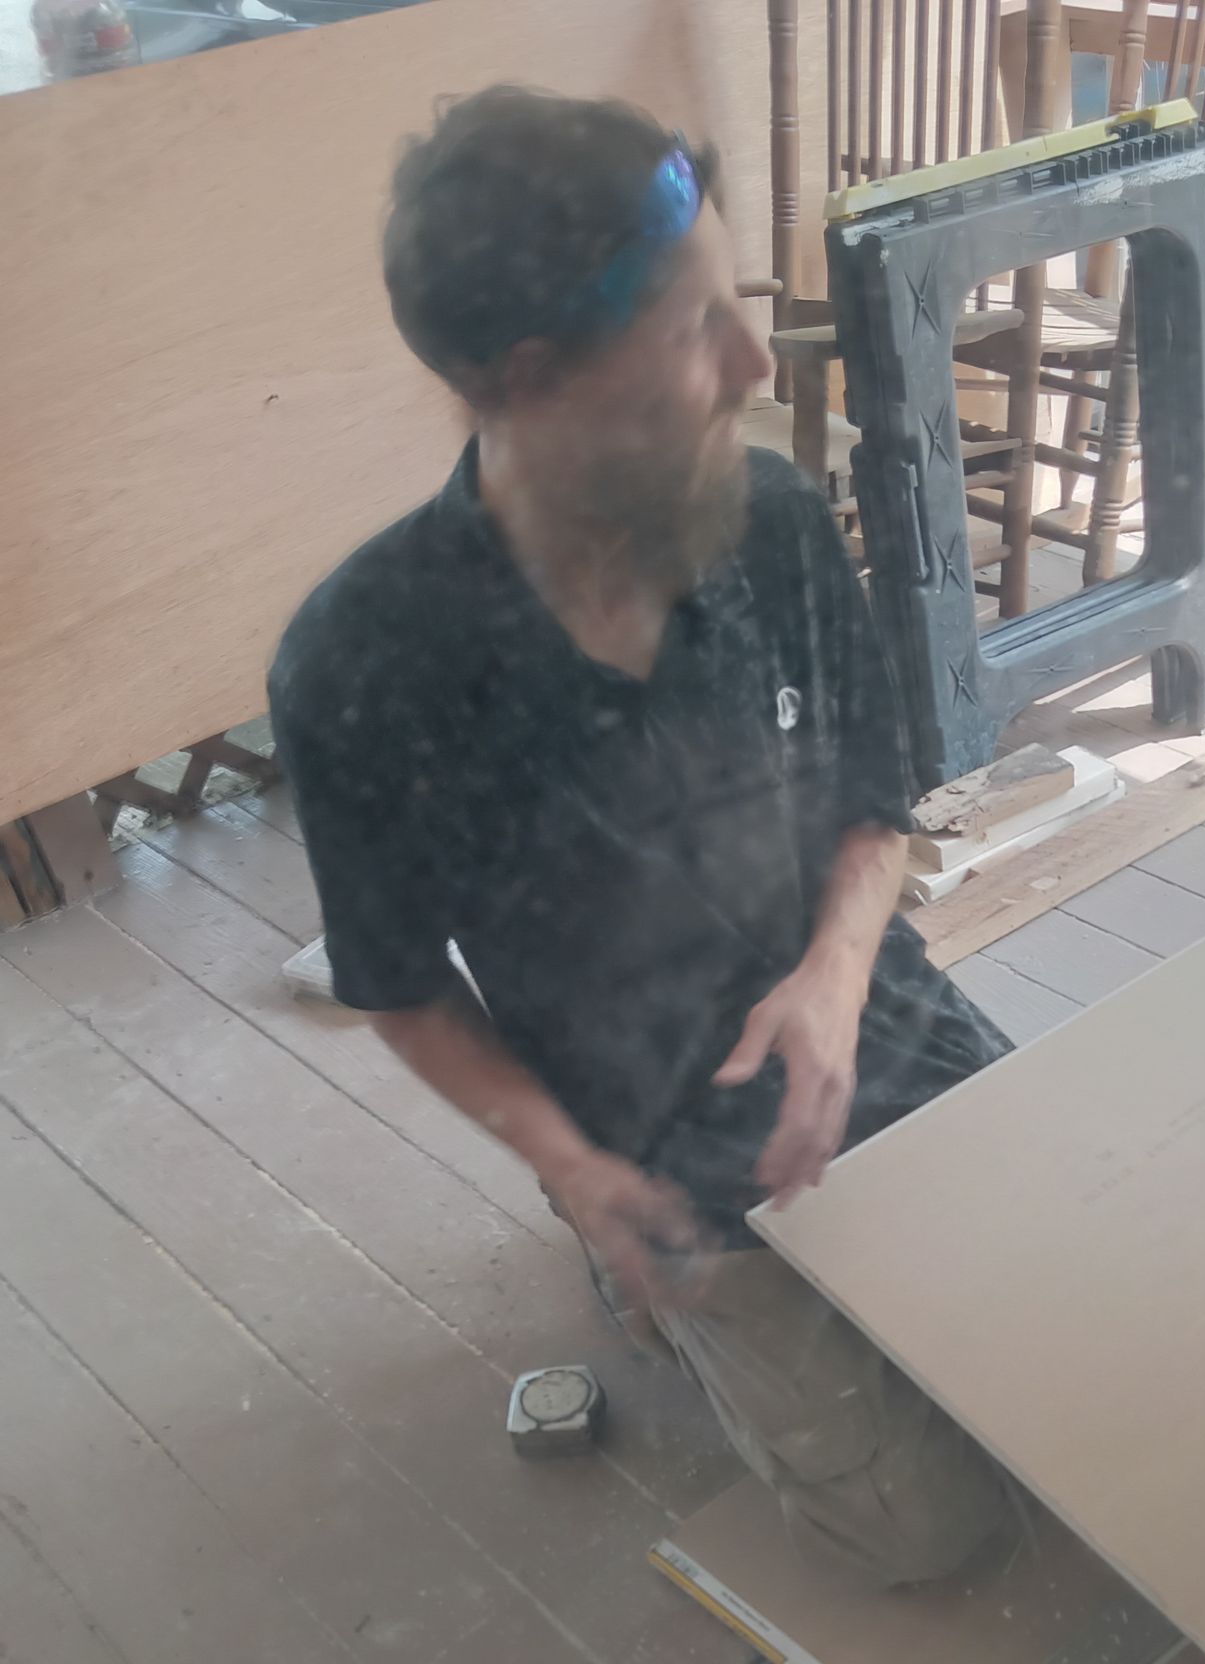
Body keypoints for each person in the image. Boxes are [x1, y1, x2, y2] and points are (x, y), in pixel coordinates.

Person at [270, 86, 1019, 1587]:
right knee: (928, 1537)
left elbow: (875, 809)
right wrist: (574, 1169)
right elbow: (403, 988)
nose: (755, 363)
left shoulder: (773, 521)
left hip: (877, 1027)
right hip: (663, 1150)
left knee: (1113, 1323)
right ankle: (631, 1278)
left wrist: (833, 977)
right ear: (533, 382)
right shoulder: (366, 665)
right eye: (695, 331)